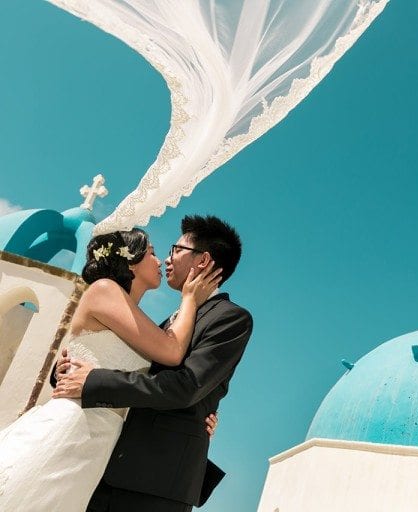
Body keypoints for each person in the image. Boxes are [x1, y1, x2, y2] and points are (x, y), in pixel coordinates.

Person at [0, 228, 222, 512]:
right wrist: (190, 299)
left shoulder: (143, 325)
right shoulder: (104, 289)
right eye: (153, 253)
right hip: (74, 427)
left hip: (105, 443)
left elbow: (157, 383)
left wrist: (196, 416)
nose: (160, 262)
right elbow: (172, 351)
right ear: (130, 262)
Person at [55, 215, 253, 511]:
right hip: (107, 465)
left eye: (176, 249)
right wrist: (66, 371)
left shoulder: (230, 318)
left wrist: (94, 380)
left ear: (203, 260)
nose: (167, 259)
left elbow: (185, 387)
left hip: (156, 483)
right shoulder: (166, 325)